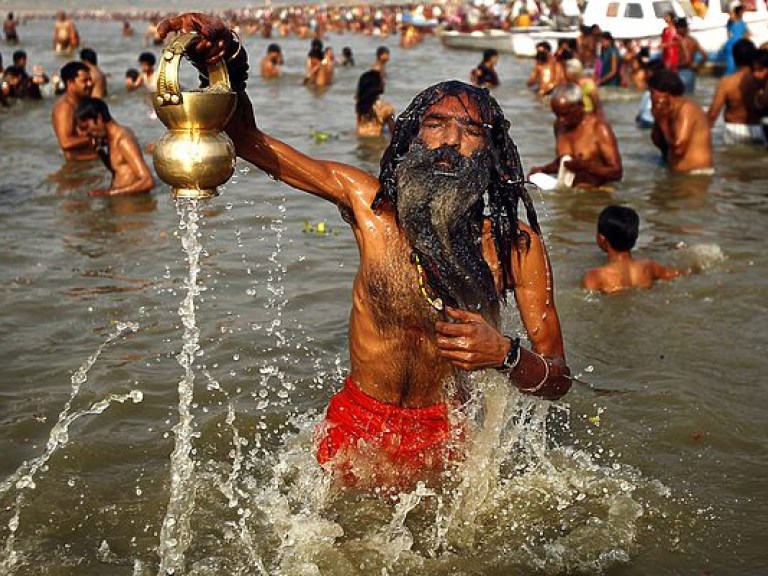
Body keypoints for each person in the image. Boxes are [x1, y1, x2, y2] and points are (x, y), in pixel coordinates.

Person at [157, 13, 571, 487]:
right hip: (355, 428)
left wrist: (505, 354)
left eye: (471, 132)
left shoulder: (515, 247)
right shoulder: (368, 206)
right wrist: (226, 58)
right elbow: (249, 140)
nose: (451, 141)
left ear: (492, 154)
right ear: (413, 136)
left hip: (448, 439)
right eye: (436, 124)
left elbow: (557, 379)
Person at [529, 83, 622, 189]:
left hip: (596, 195)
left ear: (580, 105)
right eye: (557, 114)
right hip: (569, 193)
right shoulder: (559, 126)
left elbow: (617, 172)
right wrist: (543, 170)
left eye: (565, 114)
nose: (561, 120)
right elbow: (563, 161)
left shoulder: (599, 128)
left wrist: (586, 167)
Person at [582, 205, 680, 294]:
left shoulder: (594, 276)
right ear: (636, 236)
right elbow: (678, 275)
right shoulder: (649, 267)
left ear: (601, 239)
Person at [75, 97, 154, 196]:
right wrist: (101, 153)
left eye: (86, 127)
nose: (86, 134)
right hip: (125, 202)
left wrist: (107, 193)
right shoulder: (112, 139)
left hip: (133, 207)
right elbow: (119, 171)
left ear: (99, 118)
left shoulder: (123, 140)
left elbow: (148, 181)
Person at [649, 69, 713, 173]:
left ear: (665, 93)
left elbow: (679, 149)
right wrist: (658, 118)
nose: (650, 97)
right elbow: (658, 142)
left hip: (695, 176)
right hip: (679, 175)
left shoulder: (687, 109)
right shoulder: (669, 111)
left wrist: (662, 121)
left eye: (652, 93)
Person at [707, 39, 765, 145]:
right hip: (758, 129)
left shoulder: (727, 82)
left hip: (733, 129)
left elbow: (712, 115)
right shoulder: (762, 79)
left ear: (734, 58)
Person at [51, 61, 96, 161]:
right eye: (84, 81)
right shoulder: (65, 108)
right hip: (78, 169)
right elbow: (65, 143)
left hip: (91, 164)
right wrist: (93, 139)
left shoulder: (83, 102)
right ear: (70, 83)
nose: (90, 84)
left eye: (90, 80)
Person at [355, 69, 395, 137]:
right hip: (376, 142)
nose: (384, 83)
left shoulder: (360, 104)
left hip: (360, 138)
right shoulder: (386, 107)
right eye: (382, 81)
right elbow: (394, 132)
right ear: (375, 86)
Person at [676, 18, 707, 94]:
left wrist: (674, 66)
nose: (676, 30)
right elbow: (705, 56)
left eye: (677, 28)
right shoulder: (693, 40)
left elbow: (687, 60)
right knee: (689, 95)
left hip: (681, 71)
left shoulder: (681, 41)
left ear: (682, 28)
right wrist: (697, 68)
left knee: (680, 97)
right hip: (691, 72)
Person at [720, 3, 749, 76]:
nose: (743, 13)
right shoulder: (733, 19)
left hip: (739, 45)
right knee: (731, 67)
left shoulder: (741, 21)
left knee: (737, 67)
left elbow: (745, 33)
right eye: (742, 11)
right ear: (739, 11)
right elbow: (731, 17)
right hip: (733, 45)